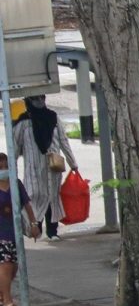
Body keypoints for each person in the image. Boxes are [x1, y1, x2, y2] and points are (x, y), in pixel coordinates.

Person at [13, 95, 79, 240]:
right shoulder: (23, 123)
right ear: (28, 101)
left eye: (42, 97)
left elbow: (63, 140)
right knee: (33, 197)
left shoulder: (53, 118)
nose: (40, 101)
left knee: (52, 197)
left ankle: (52, 232)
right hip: (33, 170)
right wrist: (12, 171)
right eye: (35, 98)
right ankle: (34, 228)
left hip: (52, 168)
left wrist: (72, 164)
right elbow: (15, 149)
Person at [0, 151, 42, 306]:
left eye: (6, 166)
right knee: (5, 265)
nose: (4, 169)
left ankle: (2, 293)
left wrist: (34, 224)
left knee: (14, 266)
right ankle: (8, 301)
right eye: (0, 166)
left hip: (14, 231)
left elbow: (27, 206)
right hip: (1, 234)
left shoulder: (16, 184)